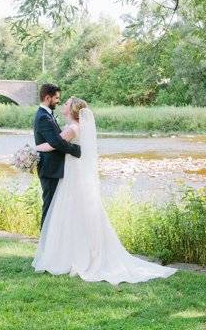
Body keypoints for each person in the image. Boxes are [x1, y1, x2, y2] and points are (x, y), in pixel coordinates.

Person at [32, 96, 177, 284]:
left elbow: (54, 145)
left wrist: (32, 148)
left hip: (73, 174)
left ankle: (70, 256)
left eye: (67, 103)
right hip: (76, 172)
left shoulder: (72, 128)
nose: (64, 104)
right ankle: (79, 252)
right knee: (77, 211)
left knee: (69, 211)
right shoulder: (79, 127)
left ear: (73, 110)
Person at [33, 83, 81, 227]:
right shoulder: (43, 117)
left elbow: (55, 141)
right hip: (50, 170)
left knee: (54, 206)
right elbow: (56, 142)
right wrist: (76, 150)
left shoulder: (47, 115)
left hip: (54, 169)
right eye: (57, 98)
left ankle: (50, 241)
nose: (59, 101)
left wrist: (38, 147)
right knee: (49, 205)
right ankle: (45, 241)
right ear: (48, 98)